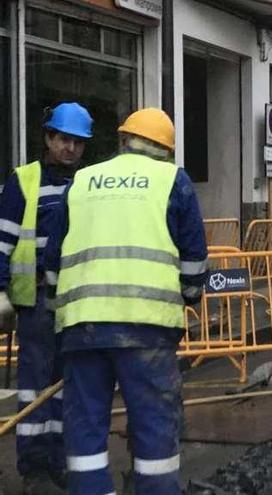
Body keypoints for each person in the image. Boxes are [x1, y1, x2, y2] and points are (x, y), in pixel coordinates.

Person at [44, 108, 208, 495]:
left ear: (123, 142)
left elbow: (53, 259)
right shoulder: (173, 180)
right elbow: (194, 258)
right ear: (166, 150)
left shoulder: (83, 180)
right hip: (147, 327)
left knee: (85, 429)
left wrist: (58, 309)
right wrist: (189, 297)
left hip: (83, 328)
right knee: (153, 425)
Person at [0, 102, 93, 494]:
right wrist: (2, 291)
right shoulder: (24, 181)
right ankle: (34, 468)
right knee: (34, 386)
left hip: (73, 302)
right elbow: (2, 241)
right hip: (36, 302)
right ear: (48, 138)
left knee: (64, 386)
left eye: (77, 142)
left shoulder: (89, 184)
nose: (70, 148)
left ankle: (58, 460)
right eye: (63, 139)